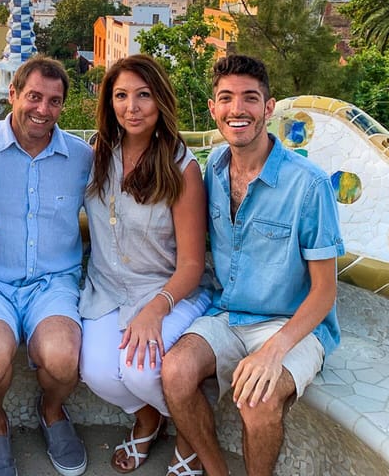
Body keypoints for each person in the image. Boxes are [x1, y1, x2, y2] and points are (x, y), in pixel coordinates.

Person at [162, 55, 345, 476]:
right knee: (174, 372)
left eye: (250, 98)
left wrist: (274, 350)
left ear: (268, 107)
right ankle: (215, 470)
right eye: (226, 98)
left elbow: (325, 292)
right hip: (228, 315)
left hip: (292, 325)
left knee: (258, 399)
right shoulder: (213, 169)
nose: (237, 109)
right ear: (213, 109)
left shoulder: (309, 185)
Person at [0, 56, 93, 476]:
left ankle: (51, 410)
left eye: (54, 101)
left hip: (53, 283)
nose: (43, 109)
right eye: (34, 96)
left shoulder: (81, 157)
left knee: (63, 357)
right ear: (13, 94)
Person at [79, 55, 212, 473]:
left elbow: (192, 264)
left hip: (168, 291)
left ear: (161, 101)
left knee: (139, 372)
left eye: (143, 95)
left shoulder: (181, 167)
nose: (131, 107)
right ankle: (150, 418)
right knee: (96, 372)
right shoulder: (99, 154)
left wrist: (155, 311)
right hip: (107, 291)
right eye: (121, 96)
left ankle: (190, 433)